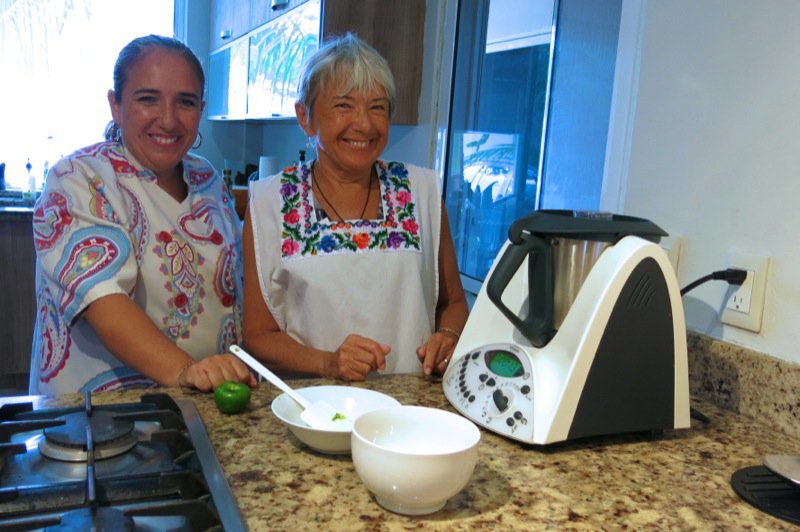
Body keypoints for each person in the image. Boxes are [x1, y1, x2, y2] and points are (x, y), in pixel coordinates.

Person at [29, 35, 255, 395]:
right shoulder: (78, 178)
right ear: (115, 105)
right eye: (148, 99)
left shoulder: (207, 179)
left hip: (205, 408)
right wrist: (186, 372)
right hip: (104, 419)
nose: (168, 119)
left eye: (185, 102)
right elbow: (105, 303)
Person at [242, 33, 468, 380]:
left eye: (377, 106)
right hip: (314, 412)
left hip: (407, 412)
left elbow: (451, 303)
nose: (363, 123)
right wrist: (329, 363)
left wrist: (448, 337)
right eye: (344, 105)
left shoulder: (422, 191)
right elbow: (257, 337)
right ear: (305, 116)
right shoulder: (270, 202)